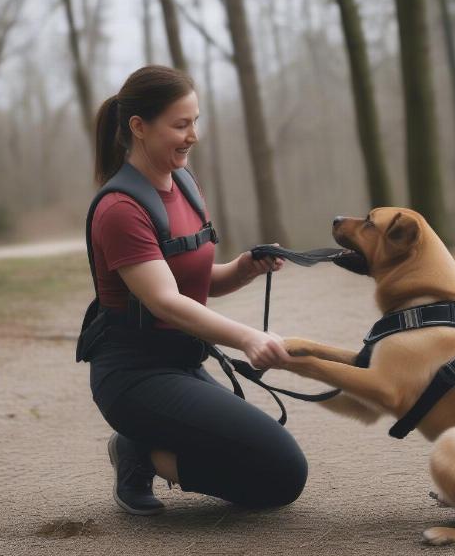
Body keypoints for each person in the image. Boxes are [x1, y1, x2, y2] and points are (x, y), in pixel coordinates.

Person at [83, 64, 307, 516]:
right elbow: (164, 301)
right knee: (281, 475)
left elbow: (195, 285)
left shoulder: (184, 183)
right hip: (134, 378)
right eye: (181, 124)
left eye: (196, 122)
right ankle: (137, 452)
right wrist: (248, 338)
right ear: (139, 127)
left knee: (277, 466)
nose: (193, 136)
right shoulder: (120, 209)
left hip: (183, 365)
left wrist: (244, 268)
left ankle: (145, 444)